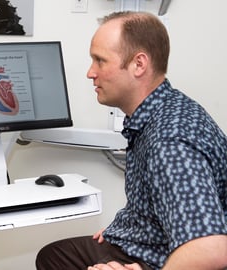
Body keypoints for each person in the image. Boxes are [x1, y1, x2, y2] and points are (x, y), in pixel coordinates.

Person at [36, 11, 227, 270]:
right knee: (54, 256)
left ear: (139, 65)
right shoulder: (164, 107)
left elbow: (211, 250)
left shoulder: (169, 141)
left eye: (100, 61)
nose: (90, 73)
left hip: (172, 257)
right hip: (155, 241)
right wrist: (127, 227)